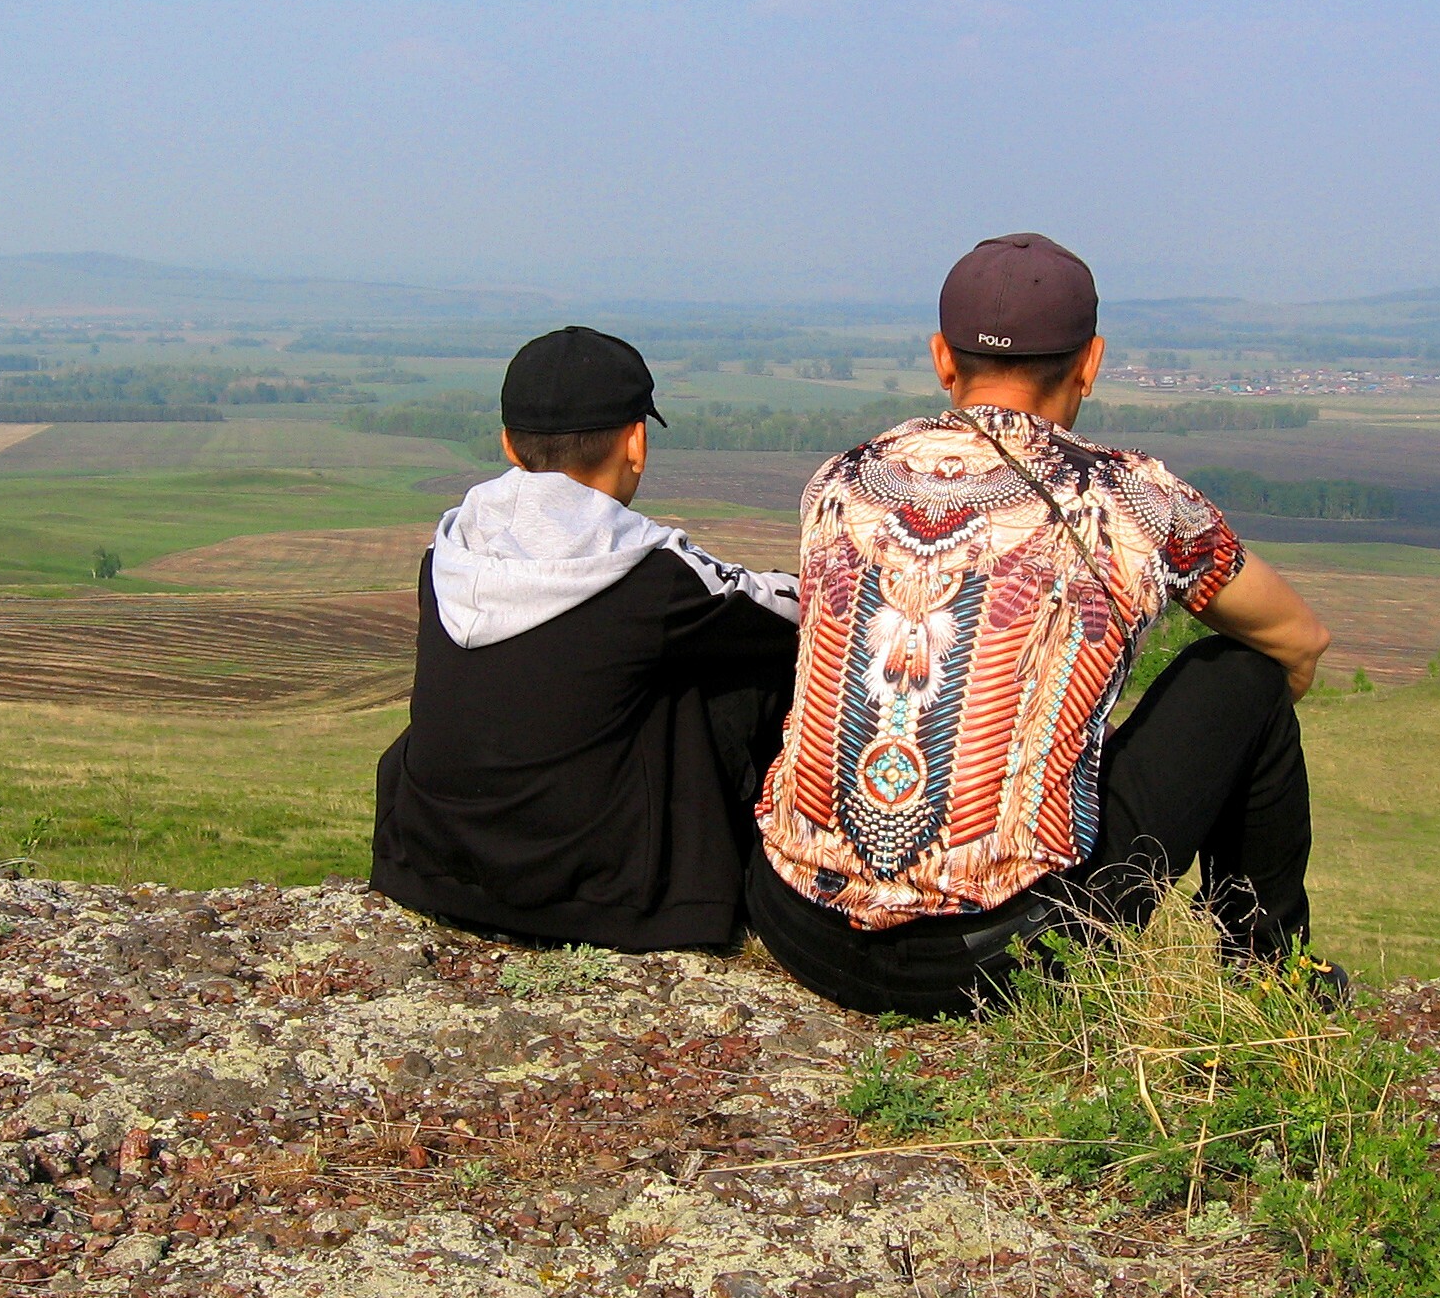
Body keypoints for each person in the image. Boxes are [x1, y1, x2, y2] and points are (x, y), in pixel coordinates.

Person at [748, 234, 1336, 1018]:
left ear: (941, 360)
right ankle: (1267, 977)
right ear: (1090, 363)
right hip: (1002, 963)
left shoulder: (842, 477)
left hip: (795, 926)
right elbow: (1297, 641)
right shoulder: (1135, 497)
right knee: (1243, 677)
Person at [372, 326, 801, 952]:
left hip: (424, 867)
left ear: (508, 445)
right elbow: (796, 613)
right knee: (755, 674)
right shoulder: (652, 578)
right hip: (600, 903)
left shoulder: (447, 552)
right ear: (637, 442)